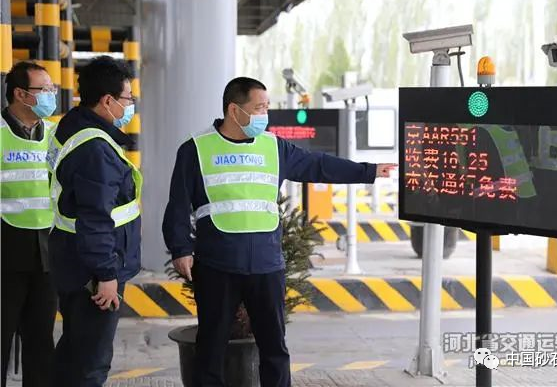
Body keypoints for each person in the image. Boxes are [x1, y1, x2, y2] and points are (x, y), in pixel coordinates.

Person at [162, 77, 396, 387]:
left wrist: (369, 171)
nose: (265, 115)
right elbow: (178, 204)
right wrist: (180, 248)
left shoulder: (275, 147)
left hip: (267, 265)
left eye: (267, 108)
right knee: (210, 349)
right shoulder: (196, 149)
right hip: (217, 266)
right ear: (234, 110)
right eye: (259, 108)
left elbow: (318, 165)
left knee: (274, 349)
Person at [47, 56, 142, 387]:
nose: (130, 106)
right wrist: (106, 275)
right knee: (91, 363)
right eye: (128, 98)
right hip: (92, 269)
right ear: (107, 101)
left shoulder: (72, 125)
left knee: (73, 352)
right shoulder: (95, 150)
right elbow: (96, 218)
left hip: (71, 258)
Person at [1, 61, 58, 387]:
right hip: (5, 255)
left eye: (52, 88)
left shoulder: (53, 135)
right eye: (44, 89)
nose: (51, 95)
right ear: (21, 94)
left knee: (41, 345)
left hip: (46, 254)